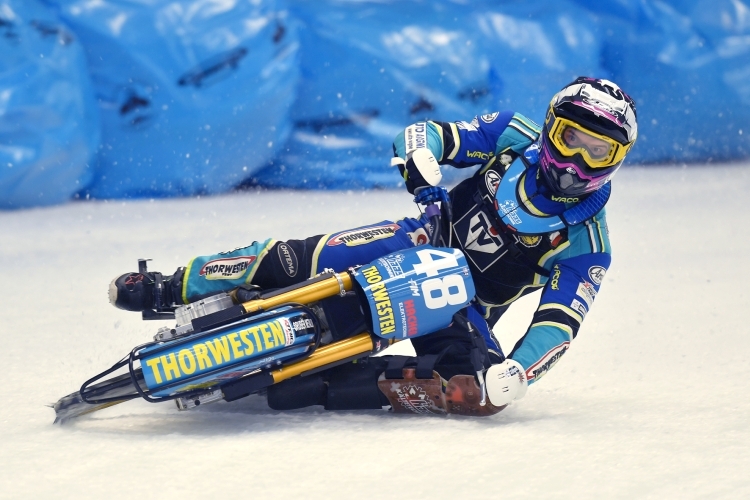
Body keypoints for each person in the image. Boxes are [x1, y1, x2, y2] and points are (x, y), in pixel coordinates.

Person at [109, 77, 638, 415]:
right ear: (550, 128)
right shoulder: (510, 134)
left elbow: (559, 324)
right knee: (298, 258)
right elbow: (425, 134)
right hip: (416, 238)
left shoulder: (589, 245)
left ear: (616, 162)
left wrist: (518, 371)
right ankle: (172, 283)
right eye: (571, 140)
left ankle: (322, 385)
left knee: (473, 395)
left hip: (459, 305)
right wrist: (422, 165)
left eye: (599, 153)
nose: (576, 164)